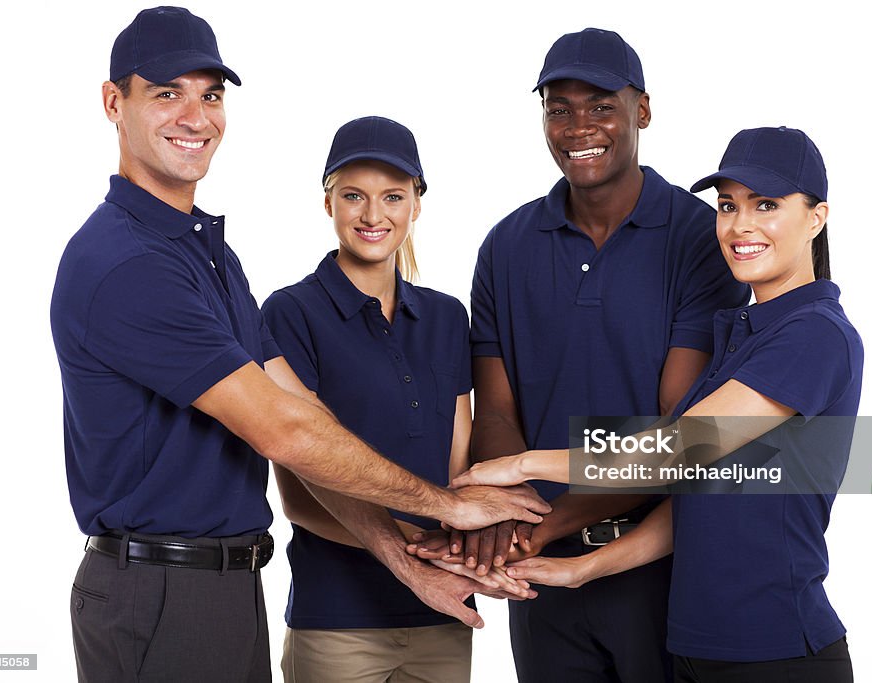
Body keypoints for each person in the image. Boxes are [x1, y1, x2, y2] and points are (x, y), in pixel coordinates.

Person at [50, 8, 548, 681]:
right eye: (167, 92)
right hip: (162, 586)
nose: (196, 116)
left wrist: (409, 561)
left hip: (230, 582)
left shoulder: (207, 255)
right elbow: (284, 431)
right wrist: (448, 505)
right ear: (115, 102)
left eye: (212, 94)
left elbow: (308, 420)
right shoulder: (127, 261)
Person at [453, 126, 863, 683]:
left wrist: (524, 463)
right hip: (695, 647)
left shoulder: (815, 334)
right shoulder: (741, 333)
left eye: (766, 205)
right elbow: (694, 499)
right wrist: (581, 571)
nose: (740, 225)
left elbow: (675, 450)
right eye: (727, 205)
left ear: (816, 218)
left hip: (776, 651)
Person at [410, 27, 749, 683]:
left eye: (600, 105)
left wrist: (523, 524)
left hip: (655, 565)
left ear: (642, 111)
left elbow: (676, 434)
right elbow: (498, 412)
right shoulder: (506, 246)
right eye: (558, 107)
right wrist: (516, 524)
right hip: (540, 582)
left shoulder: (700, 241)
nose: (577, 126)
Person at [261, 117, 532, 683]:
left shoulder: (445, 316)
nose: (372, 215)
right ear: (327, 202)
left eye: (393, 197)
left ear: (416, 205)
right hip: (337, 619)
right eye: (353, 195)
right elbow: (298, 492)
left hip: (445, 615)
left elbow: (461, 468)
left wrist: (465, 557)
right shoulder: (291, 314)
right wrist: (423, 552)